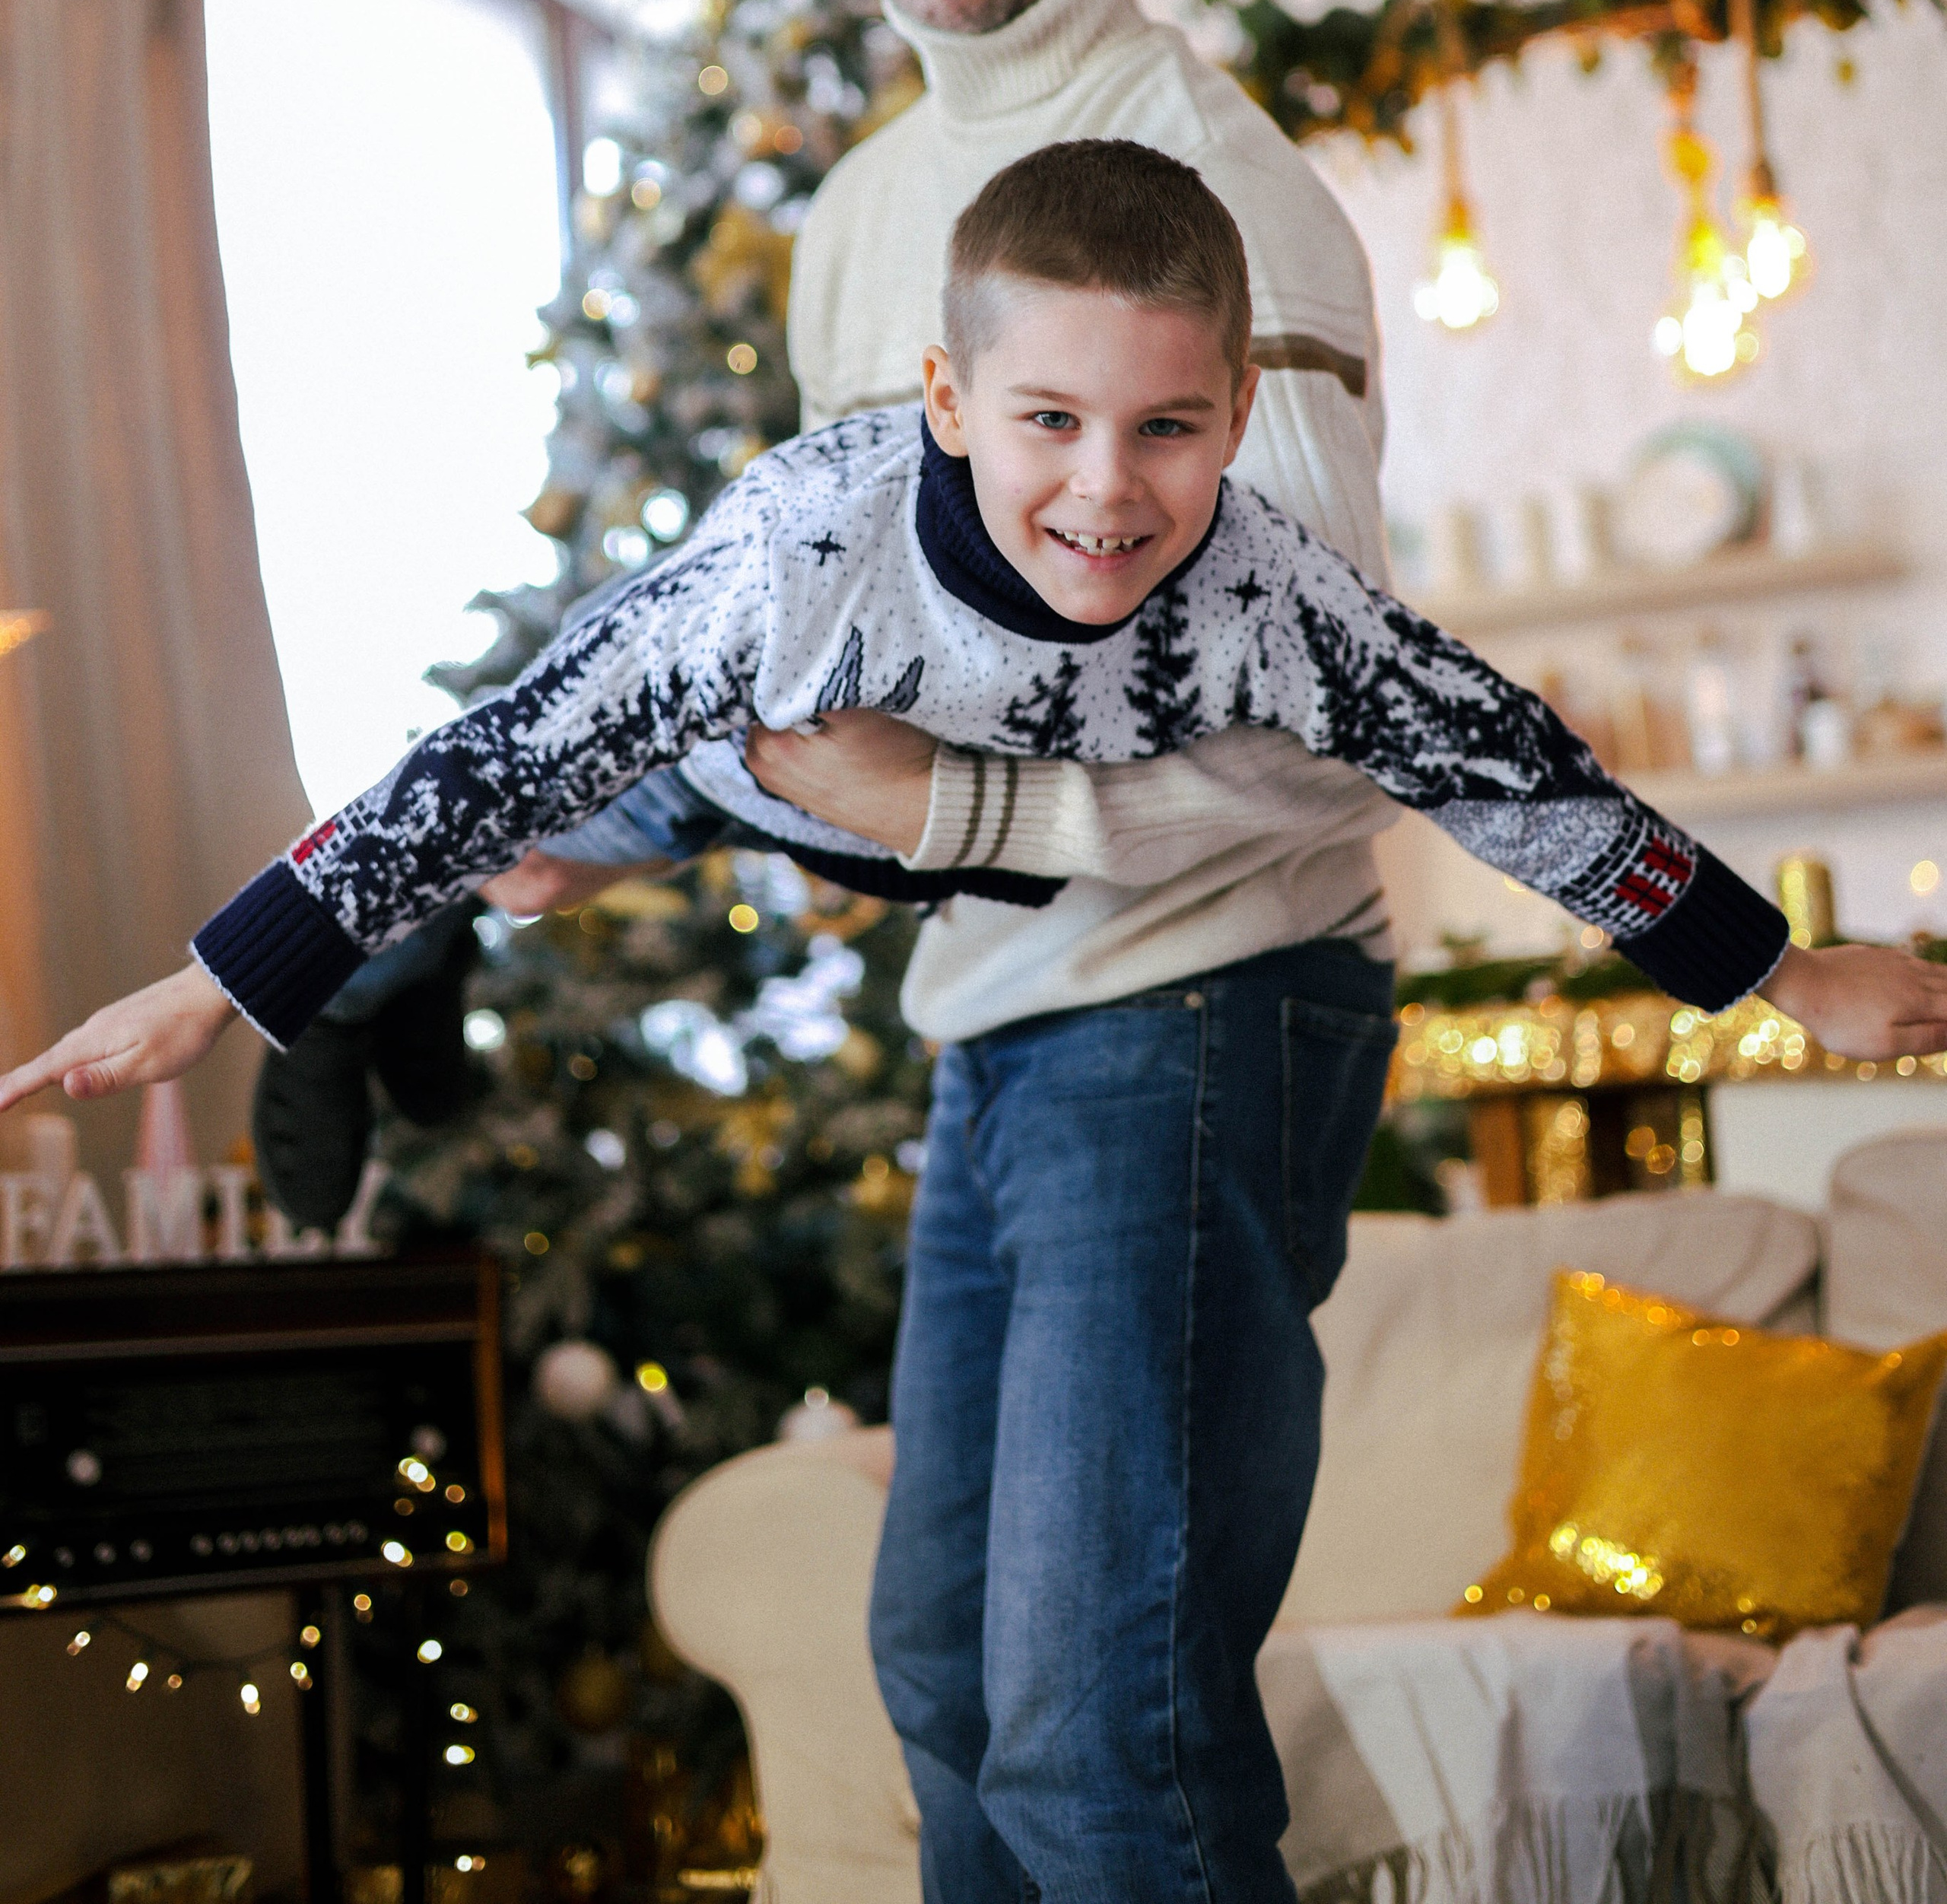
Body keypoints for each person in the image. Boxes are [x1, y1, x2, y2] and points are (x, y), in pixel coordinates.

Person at [8, 141, 1947, 1904]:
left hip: (1015, 878)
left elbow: (1509, 771)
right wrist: (211, 980)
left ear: (1236, 416)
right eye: (1045, 420)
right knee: (563, 820)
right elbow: (493, 746)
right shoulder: (794, 552)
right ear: (942, 401)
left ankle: (421, 954)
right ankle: (376, 980)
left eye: (1165, 430)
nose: (1104, 488)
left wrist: (1783, 970)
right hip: (766, 772)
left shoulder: (1275, 596)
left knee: (1085, 1710)